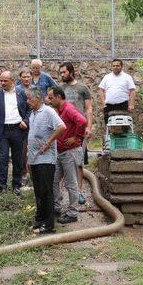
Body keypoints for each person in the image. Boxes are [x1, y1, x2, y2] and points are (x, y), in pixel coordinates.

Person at [26, 87, 66, 234]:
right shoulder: (32, 114)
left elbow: (62, 127)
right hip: (34, 158)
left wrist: (48, 142)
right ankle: (40, 219)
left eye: (30, 98)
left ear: (38, 98)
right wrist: (28, 158)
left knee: (46, 191)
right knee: (38, 191)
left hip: (46, 159)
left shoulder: (48, 111)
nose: (27, 101)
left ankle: (49, 225)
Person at [47, 87, 87, 224]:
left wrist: (77, 137)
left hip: (70, 151)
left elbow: (82, 121)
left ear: (59, 97)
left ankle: (72, 213)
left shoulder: (68, 109)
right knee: (54, 180)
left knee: (71, 184)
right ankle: (56, 207)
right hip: (60, 151)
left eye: (51, 97)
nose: (49, 100)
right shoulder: (59, 110)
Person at [0, 71, 31, 194]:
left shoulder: (21, 93)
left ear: (12, 81)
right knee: (2, 158)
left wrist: (26, 121)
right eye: (1, 80)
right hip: (3, 131)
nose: (2, 83)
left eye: (5, 81)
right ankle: (2, 186)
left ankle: (16, 185)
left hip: (18, 129)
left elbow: (29, 110)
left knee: (18, 158)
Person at [59, 62, 93, 204]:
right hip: (63, 130)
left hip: (79, 129)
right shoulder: (59, 89)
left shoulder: (83, 88)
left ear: (72, 72)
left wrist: (89, 127)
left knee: (78, 163)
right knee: (59, 161)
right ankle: (59, 192)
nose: (62, 75)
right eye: (60, 72)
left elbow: (89, 109)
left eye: (64, 72)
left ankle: (79, 192)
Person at [98, 59, 137, 124]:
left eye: (117, 65)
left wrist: (131, 104)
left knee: (124, 125)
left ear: (121, 66)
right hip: (108, 106)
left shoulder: (127, 77)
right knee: (108, 125)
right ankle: (110, 134)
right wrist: (103, 103)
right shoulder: (107, 77)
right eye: (113, 66)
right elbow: (101, 89)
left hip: (123, 105)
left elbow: (132, 91)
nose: (115, 67)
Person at [19, 68, 33, 182]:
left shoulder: (36, 90)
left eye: (28, 76)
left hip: (34, 124)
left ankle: (33, 174)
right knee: (22, 151)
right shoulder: (17, 90)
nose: (26, 79)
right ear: (20, 78)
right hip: (21, 125)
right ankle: (23, 173)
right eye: (24, 77)